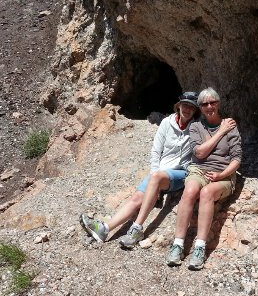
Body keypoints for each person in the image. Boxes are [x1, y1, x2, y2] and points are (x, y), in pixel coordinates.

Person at [79, 92, 200, 248]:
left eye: (191, 107)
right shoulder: (166, 123)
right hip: (160, 173)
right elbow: (156, 150)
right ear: (179, 106)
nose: (187, 109)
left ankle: (137, 229)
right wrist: (154, 176)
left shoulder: (197, 128)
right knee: (137, 197)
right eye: (185, 105)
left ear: (195, 110)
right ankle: (105, 229)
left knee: (155, 179)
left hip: (180, 173)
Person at [166, 87, 242, 270]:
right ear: (200, 107)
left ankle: (200, 247)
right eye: (205, 104)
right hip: (199, 170)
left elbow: (237, 159)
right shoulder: (196, 127)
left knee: (207, 192)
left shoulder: (230, 125)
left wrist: (221, 175)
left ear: (218, 103)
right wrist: (220, 131)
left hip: (223, 174)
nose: (209, 106)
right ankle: (178, 244)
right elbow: (199, 153)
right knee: (190, 190)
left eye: (212, 102)